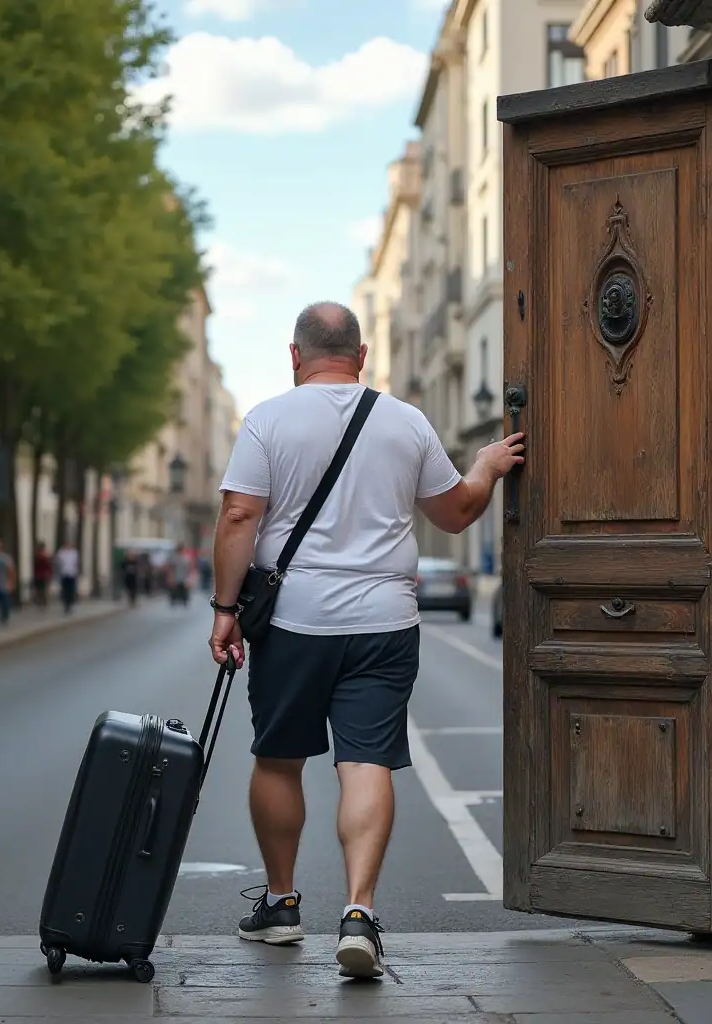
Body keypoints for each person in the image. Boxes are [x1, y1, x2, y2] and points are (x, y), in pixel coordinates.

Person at [208, 302, 524, 979]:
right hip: (385, 620)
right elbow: (456, 510)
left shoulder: (266, 419)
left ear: (295, 355)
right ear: (364, 354)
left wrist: (225, 609)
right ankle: (358, 913)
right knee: (367, 762)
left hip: (293, 622)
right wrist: (487, 467)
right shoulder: (405, 421)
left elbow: (239, 515)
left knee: (278, 760)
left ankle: (282, 904)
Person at [55, 538, 80, 614]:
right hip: (64, 574)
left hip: (72, 574)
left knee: (71, 590)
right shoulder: (61, 553)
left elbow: (76, 563)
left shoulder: (74, 553)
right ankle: (66, 604)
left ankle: (70, 604)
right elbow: (58, 563)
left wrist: (76, 571)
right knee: (65, 590)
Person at [32, 541, 52, 608]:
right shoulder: (40, 556)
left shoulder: (43, 556)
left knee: (42, 588)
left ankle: (42, 601)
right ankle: (41, 600)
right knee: (40, 588)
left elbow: (48, 566)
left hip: (42, 575)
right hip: (40, 574)